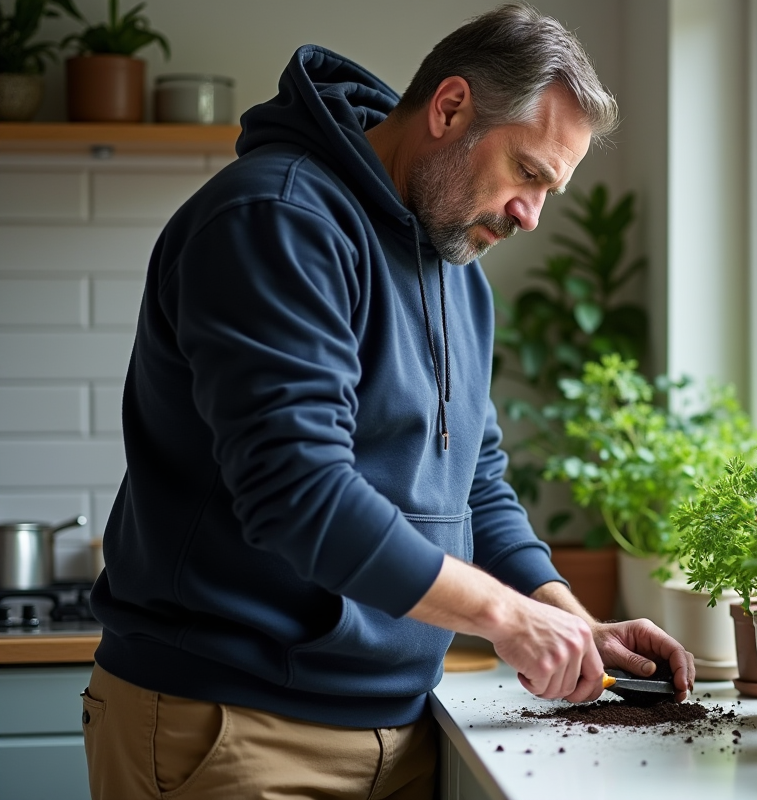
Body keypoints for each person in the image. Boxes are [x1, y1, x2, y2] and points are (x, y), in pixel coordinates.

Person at [80, 5, 694, 799]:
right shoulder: (277, 221)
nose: (531, 215)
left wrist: (568, 619)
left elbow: (477, 483)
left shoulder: (455, 267)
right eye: (529, 173)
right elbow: (299, 495)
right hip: (235, 730)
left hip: (401, 732)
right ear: (449, 109)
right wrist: (508, 621)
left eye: (551, 190)